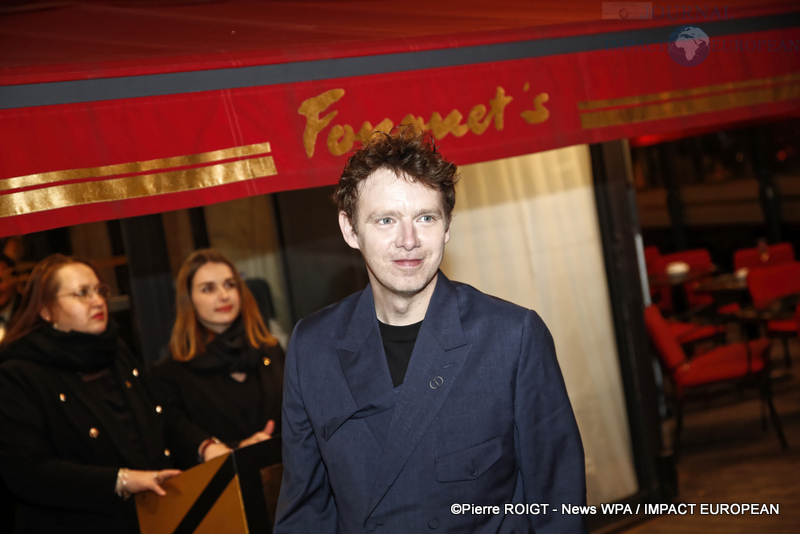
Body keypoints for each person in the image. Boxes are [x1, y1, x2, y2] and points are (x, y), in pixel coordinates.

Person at [274, 127, 587, 533]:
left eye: (425, 217)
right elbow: (304, 511)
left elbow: (557, 506)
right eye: (386, 220)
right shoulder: (312, 347)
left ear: (447, 228)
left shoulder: (512, 337)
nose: (409, 240)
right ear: (350, 230)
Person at [0, 254, 187, 534]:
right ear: (47, 310)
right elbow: (27, 472)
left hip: (151, 518)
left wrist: (207, 446)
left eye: (100, 290)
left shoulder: (115, 351)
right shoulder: (18, 374)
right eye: (82, 293)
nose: (97, 301)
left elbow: (161, 418)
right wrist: (120, 480)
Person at [153, 249, 284, 469]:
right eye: (208, 289)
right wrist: (238, 448)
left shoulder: (271, 351)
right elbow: (178, 442)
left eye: (230, 285)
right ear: (189, 300)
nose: (224, 295)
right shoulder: (170, 374)